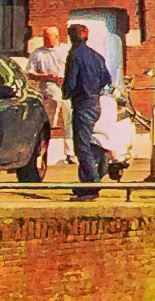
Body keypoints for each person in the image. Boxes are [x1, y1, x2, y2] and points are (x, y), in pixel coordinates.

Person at [61, 23, 114, 199]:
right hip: (96, 102)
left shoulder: (74, 55)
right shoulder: (97, 56)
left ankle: (92, 186)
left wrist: (67, 94)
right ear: (86, 35)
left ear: (70, 37)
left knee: (81, 146)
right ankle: (86, 182)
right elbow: (107, 79)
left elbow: (70, 81)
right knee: (90, 142)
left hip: (82, 103)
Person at [26, 25, 64, 173]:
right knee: (51, 118)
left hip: (66, 84)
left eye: (50, 37)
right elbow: (30, 73)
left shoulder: (65, 51)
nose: (47, 40)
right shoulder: (38, 53)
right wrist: (46, 76)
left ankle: (69, 152)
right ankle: (48, 153)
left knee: (69, 117)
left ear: (57, 37)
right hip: (48, 85)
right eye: (45, 37)